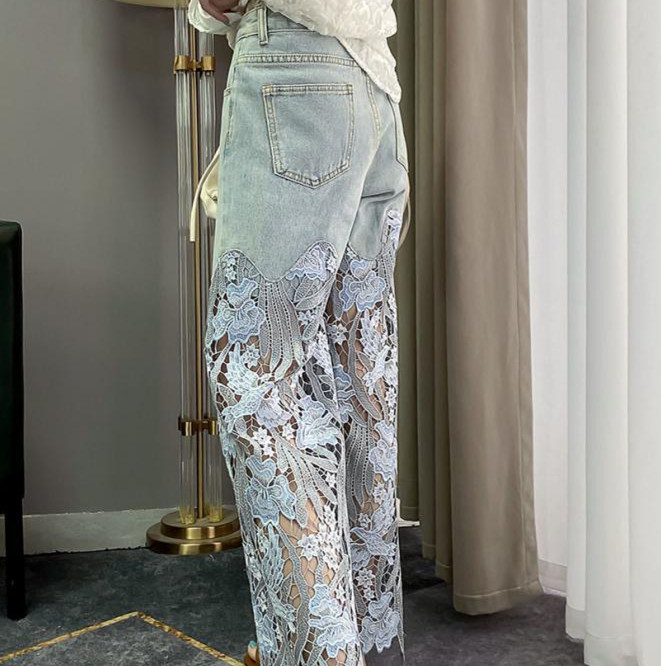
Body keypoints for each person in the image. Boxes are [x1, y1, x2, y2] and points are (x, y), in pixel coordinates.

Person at [187, 1, 410, 664]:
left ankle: (323, 654)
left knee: (255, 377)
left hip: (293, 70)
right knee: (354, 377)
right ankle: (360, 640)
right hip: (371, 85)